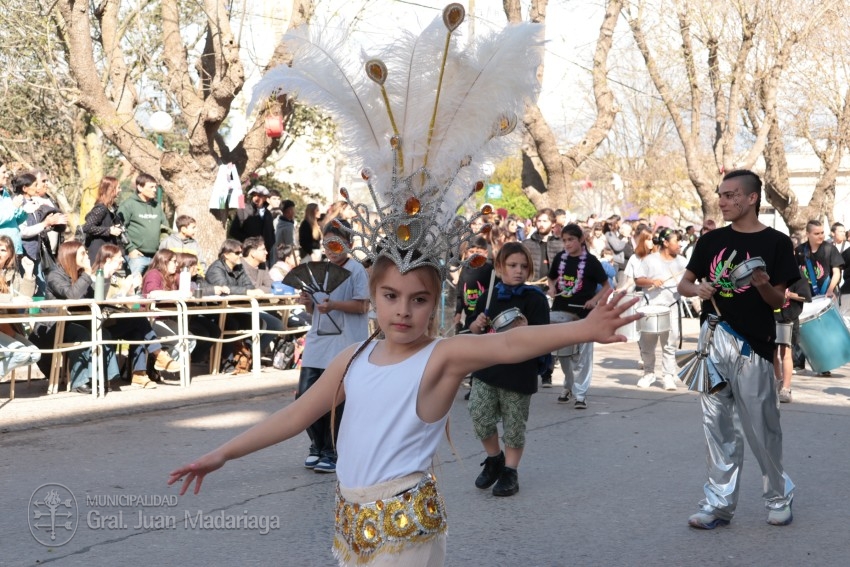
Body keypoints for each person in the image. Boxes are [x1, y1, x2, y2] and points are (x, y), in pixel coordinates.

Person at [678, 169, 798, 529]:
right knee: (716, 426)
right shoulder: (711, 241)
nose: (723, 201)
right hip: (711, 340)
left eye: (731, 195)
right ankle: (717, 504)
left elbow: (779, 301)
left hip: (753, 346)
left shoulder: (776, 243)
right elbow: (685, 283)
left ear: (751, 199)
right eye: (721, 195)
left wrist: (762, 285)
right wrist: (696, 290)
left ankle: (778, 497)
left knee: (762, 427)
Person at [466, 242, 549, 496]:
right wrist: (476, 324)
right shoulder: (488, 295)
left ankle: (511, 472)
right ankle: (494, 458)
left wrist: (526, 331)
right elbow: (473, 328)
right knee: (479, 414)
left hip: (518, 372)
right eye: (512, 265)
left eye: (524, 266)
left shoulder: (535, 298)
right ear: (500, 266)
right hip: (487, 368)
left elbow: (544, 336)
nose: (519, 271)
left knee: (514, 426)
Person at [296, 223, 370, 474]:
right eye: (327, 244)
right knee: (304, 395)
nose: (331, 250)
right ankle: (317, 445)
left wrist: (334, 304)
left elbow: (362, 306)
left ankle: (332, 450)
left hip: (345, 342)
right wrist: (308, 302)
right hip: (317, 341)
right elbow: (312, 310)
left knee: (336, 400)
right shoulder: (319, 270)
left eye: (336, 244)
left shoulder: (357, 270)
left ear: (348, 244)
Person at [93, 243, 180, 388]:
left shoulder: (116, 278)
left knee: (138, 330)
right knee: (139, 321)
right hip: (101, 325)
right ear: (108, 259)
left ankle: (139, 374)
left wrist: (132, 291)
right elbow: (102, 302)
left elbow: (131, 304)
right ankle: (158, 355)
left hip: (115, 321)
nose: (122, 260)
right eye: (119, 258)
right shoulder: (97, 276)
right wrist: (125, 290)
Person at [548, 223, 612, 408]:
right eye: (564, 240)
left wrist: (594, 300)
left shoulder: (591, 262)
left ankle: (581, 394)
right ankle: (568, 385)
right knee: (563, 354)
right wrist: (552, 288)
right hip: (561, 311)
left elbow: (607, 286)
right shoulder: (560, 258)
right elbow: (551, 278)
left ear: (581, 240)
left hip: (584, 314)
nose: (567, 244)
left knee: (583, 355)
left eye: (571, 240)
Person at [205, 239, 282, 366]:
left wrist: (246, 291)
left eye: (240, 252)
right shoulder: (216, 269)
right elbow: (224, 288)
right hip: (219, 311)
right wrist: (245, 292)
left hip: (239, 308)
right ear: (226, 254)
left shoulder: (239, 267)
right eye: (236, 253)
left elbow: (249, 287)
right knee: (236, 324)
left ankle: (247, 357)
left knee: (269, 323)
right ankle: (230, 360)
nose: (240, 255)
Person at [634, 228, 687, 391]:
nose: (679, 244)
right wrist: (651, 281)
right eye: (676, 241)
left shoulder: (683, 262)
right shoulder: (650, 260)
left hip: (672, 307)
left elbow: (690, 282)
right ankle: (649, 373)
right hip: (651, 306)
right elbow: (638, 280)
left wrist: (685, 286)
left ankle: (668, 375)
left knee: (670, 343)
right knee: (647, 344)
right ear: (665, 242)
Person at [793, 219, 845, 375]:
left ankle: (824, 364)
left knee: (823, 331)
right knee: (800, 329)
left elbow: (836, 273)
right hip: (805, 296)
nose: (820, 236)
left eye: (822, 232)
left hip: (824, 294)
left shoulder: (830, 250)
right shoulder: (800, 251)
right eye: (816, 233)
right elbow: (794, 273)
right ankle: (798, 362)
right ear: (808, 234)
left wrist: (830, 290)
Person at [522, 208, 563, 387]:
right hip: (532, 289)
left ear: (553, 224)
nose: (541, 224)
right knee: (530, 331)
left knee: (549, 333)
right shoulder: (527, 244)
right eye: (539, 221)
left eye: (545, 221)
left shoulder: (560, 244)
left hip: (552, 292)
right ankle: (529, 369)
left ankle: (547, 372)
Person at [0, 235, 41, 376]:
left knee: (34, 354)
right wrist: (11, 299)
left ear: (10, 254)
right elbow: (14, 299)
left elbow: (25, 298)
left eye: (3, 250)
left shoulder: (12, 274)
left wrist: (29, 274)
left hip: (7, 325)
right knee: (21, 354)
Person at [118, 173, 169, 275]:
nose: (154, 190)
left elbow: (165, 228)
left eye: (155, 187)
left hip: (156, 257)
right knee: (134, 288)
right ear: (140, 187)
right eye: (151, 187)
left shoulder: (157, 206)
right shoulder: (128, 205)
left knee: (153, 287)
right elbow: (120, 228)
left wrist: (163, 249)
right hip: (136, 257)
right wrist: (131, 249)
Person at [773, 268, 811, 403]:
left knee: (786, 352)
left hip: (788, 317)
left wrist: (789, 295)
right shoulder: (771, 270)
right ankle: (778, 381)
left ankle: (786, 388)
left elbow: (805, 297)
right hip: (771, 317)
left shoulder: (797, 274)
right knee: (771, 353)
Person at [82, 176, 127, 263]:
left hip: (107, 252)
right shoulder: (100, 208)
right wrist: (109, 230)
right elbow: (87, 227)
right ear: (111, 189)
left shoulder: (111, 208)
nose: (120, 190)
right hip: (98, 253)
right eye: (118, 187)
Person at [229, 185, 276, 264]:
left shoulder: (268, 214)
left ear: (265, 198)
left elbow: (271, 233)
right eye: (254, 195)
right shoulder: (243, 210)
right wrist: (249, 243)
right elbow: (233, 231)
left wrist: (269, 246)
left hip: (264, 256)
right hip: (247, 255)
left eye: (260, 196)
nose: (256, 198)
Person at [0, 161, 26, 256]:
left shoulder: (6, 193)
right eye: (3, 172)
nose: (7, 175)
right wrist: (13, 207)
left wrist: (24, 211)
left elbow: (14, 221)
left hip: (15, 249)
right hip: (2, 253)